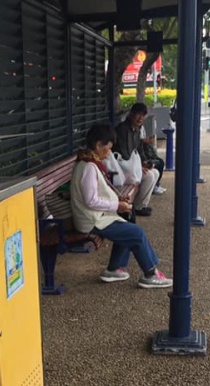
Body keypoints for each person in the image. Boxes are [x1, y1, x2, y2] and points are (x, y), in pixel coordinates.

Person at [69, 123, 172, 289]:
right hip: (92, 220)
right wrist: (117, 205)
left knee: (128, 225)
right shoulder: (89, 167)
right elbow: (91, 200)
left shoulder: (88, 163)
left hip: (94, 216)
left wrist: (117, 202)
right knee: (136, 233)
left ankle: (114, 268)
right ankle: (150, 273)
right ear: (98, 145)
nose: (109, 152)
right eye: (108, 148)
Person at [114, 103, 164, 217]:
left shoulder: (137, 129)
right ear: (131, 114)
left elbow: (139, 148)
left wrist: (144, 162)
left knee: (155, 172)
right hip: (121, 168)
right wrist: (138, 167)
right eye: (138, 114)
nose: (140, 118)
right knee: (149, 176)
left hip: (131, 166)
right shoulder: (122, 129)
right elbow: (124, 154)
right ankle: (137, 207)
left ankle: (140, 205)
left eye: (143, 115)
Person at [140, 123, 166, 193]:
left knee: (161, 161)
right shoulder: (135, 131)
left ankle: (157, 184)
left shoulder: (142, 127)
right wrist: (144, 141)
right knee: (157, 164)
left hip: (145, 154)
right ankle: (155, 186)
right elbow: (138, 145)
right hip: (143, 157)